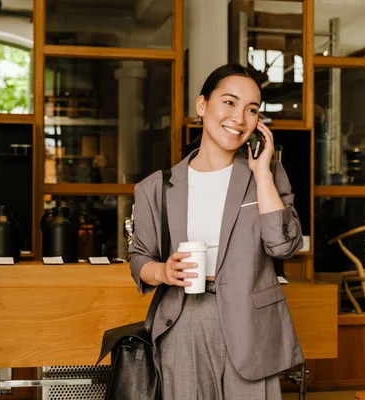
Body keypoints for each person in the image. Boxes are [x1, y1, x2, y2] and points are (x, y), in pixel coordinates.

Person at [129, 63, 304, 399]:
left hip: (252, 325)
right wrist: (164, 272)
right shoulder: (157, 187)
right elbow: (139, 258)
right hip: (185, 321)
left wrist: (262, 172)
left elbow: (283, 247)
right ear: (202, 105)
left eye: (251, 109)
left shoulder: (267, 176)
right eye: (229, 102)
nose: (239, 117)